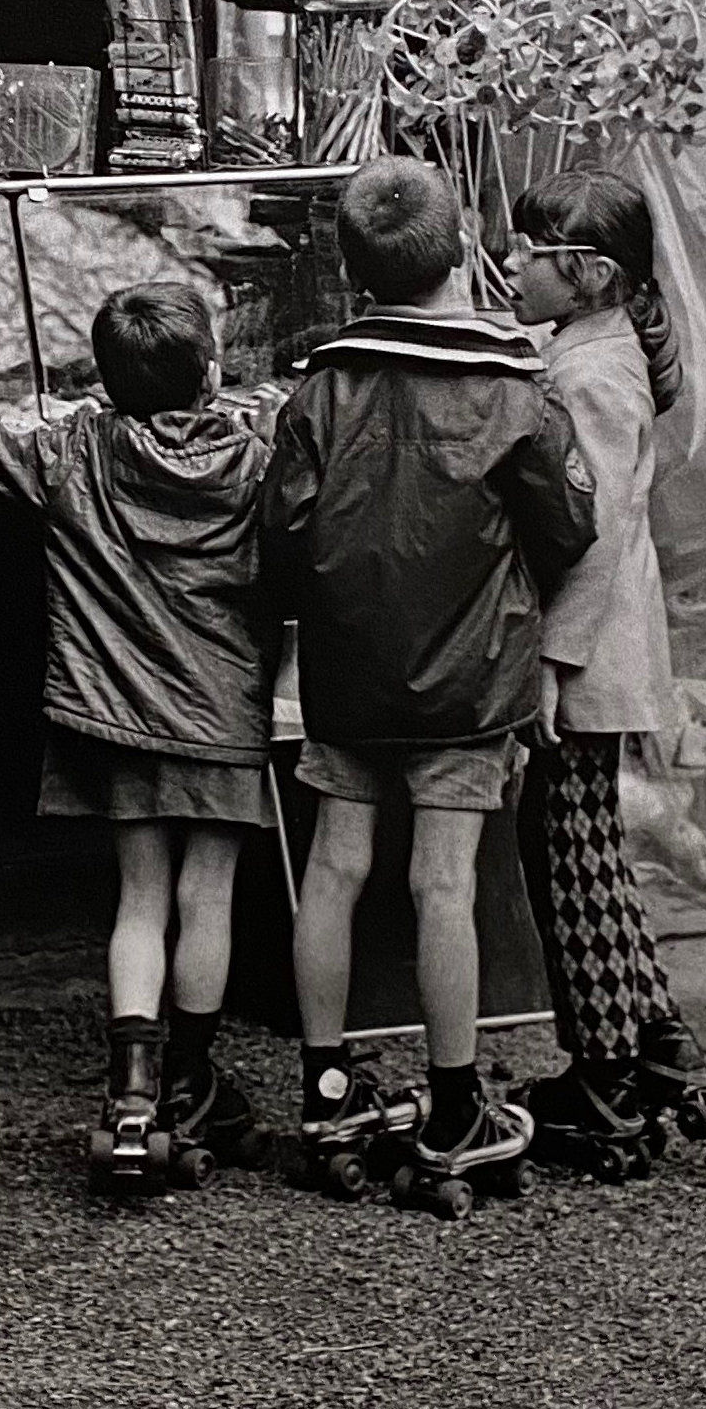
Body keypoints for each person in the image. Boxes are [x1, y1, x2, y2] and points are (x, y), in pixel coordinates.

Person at [259, 158, 599, 1194]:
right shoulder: (514, 388)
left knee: (334, 867)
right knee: (443, 881)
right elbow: (572, 524)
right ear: (459, 253)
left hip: (349, 671)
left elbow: (280, 532)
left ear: (353, 270)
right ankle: (454, 1106)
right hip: (471, 675)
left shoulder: (323, 383)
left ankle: (326, 1094)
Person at [0, 283, 279, 1184]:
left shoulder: (72, 450)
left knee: (139, 896)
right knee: (205, 895)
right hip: (221, 710)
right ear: (211, 371)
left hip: (118, 711)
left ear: (103, 379)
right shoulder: (256, 450)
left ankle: (131, 1093)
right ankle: (191, 1079)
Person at [504, 168, 706, 1169]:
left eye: (529, 251)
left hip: (590, 646)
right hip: (603, 641)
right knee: (582, 848)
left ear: (589, 274)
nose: (510, 261)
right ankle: (657, 1044)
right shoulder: (588, 348)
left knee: (574, 859)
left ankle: (606, 1076)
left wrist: (553, 662)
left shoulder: (592, 373)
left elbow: (593, 533)